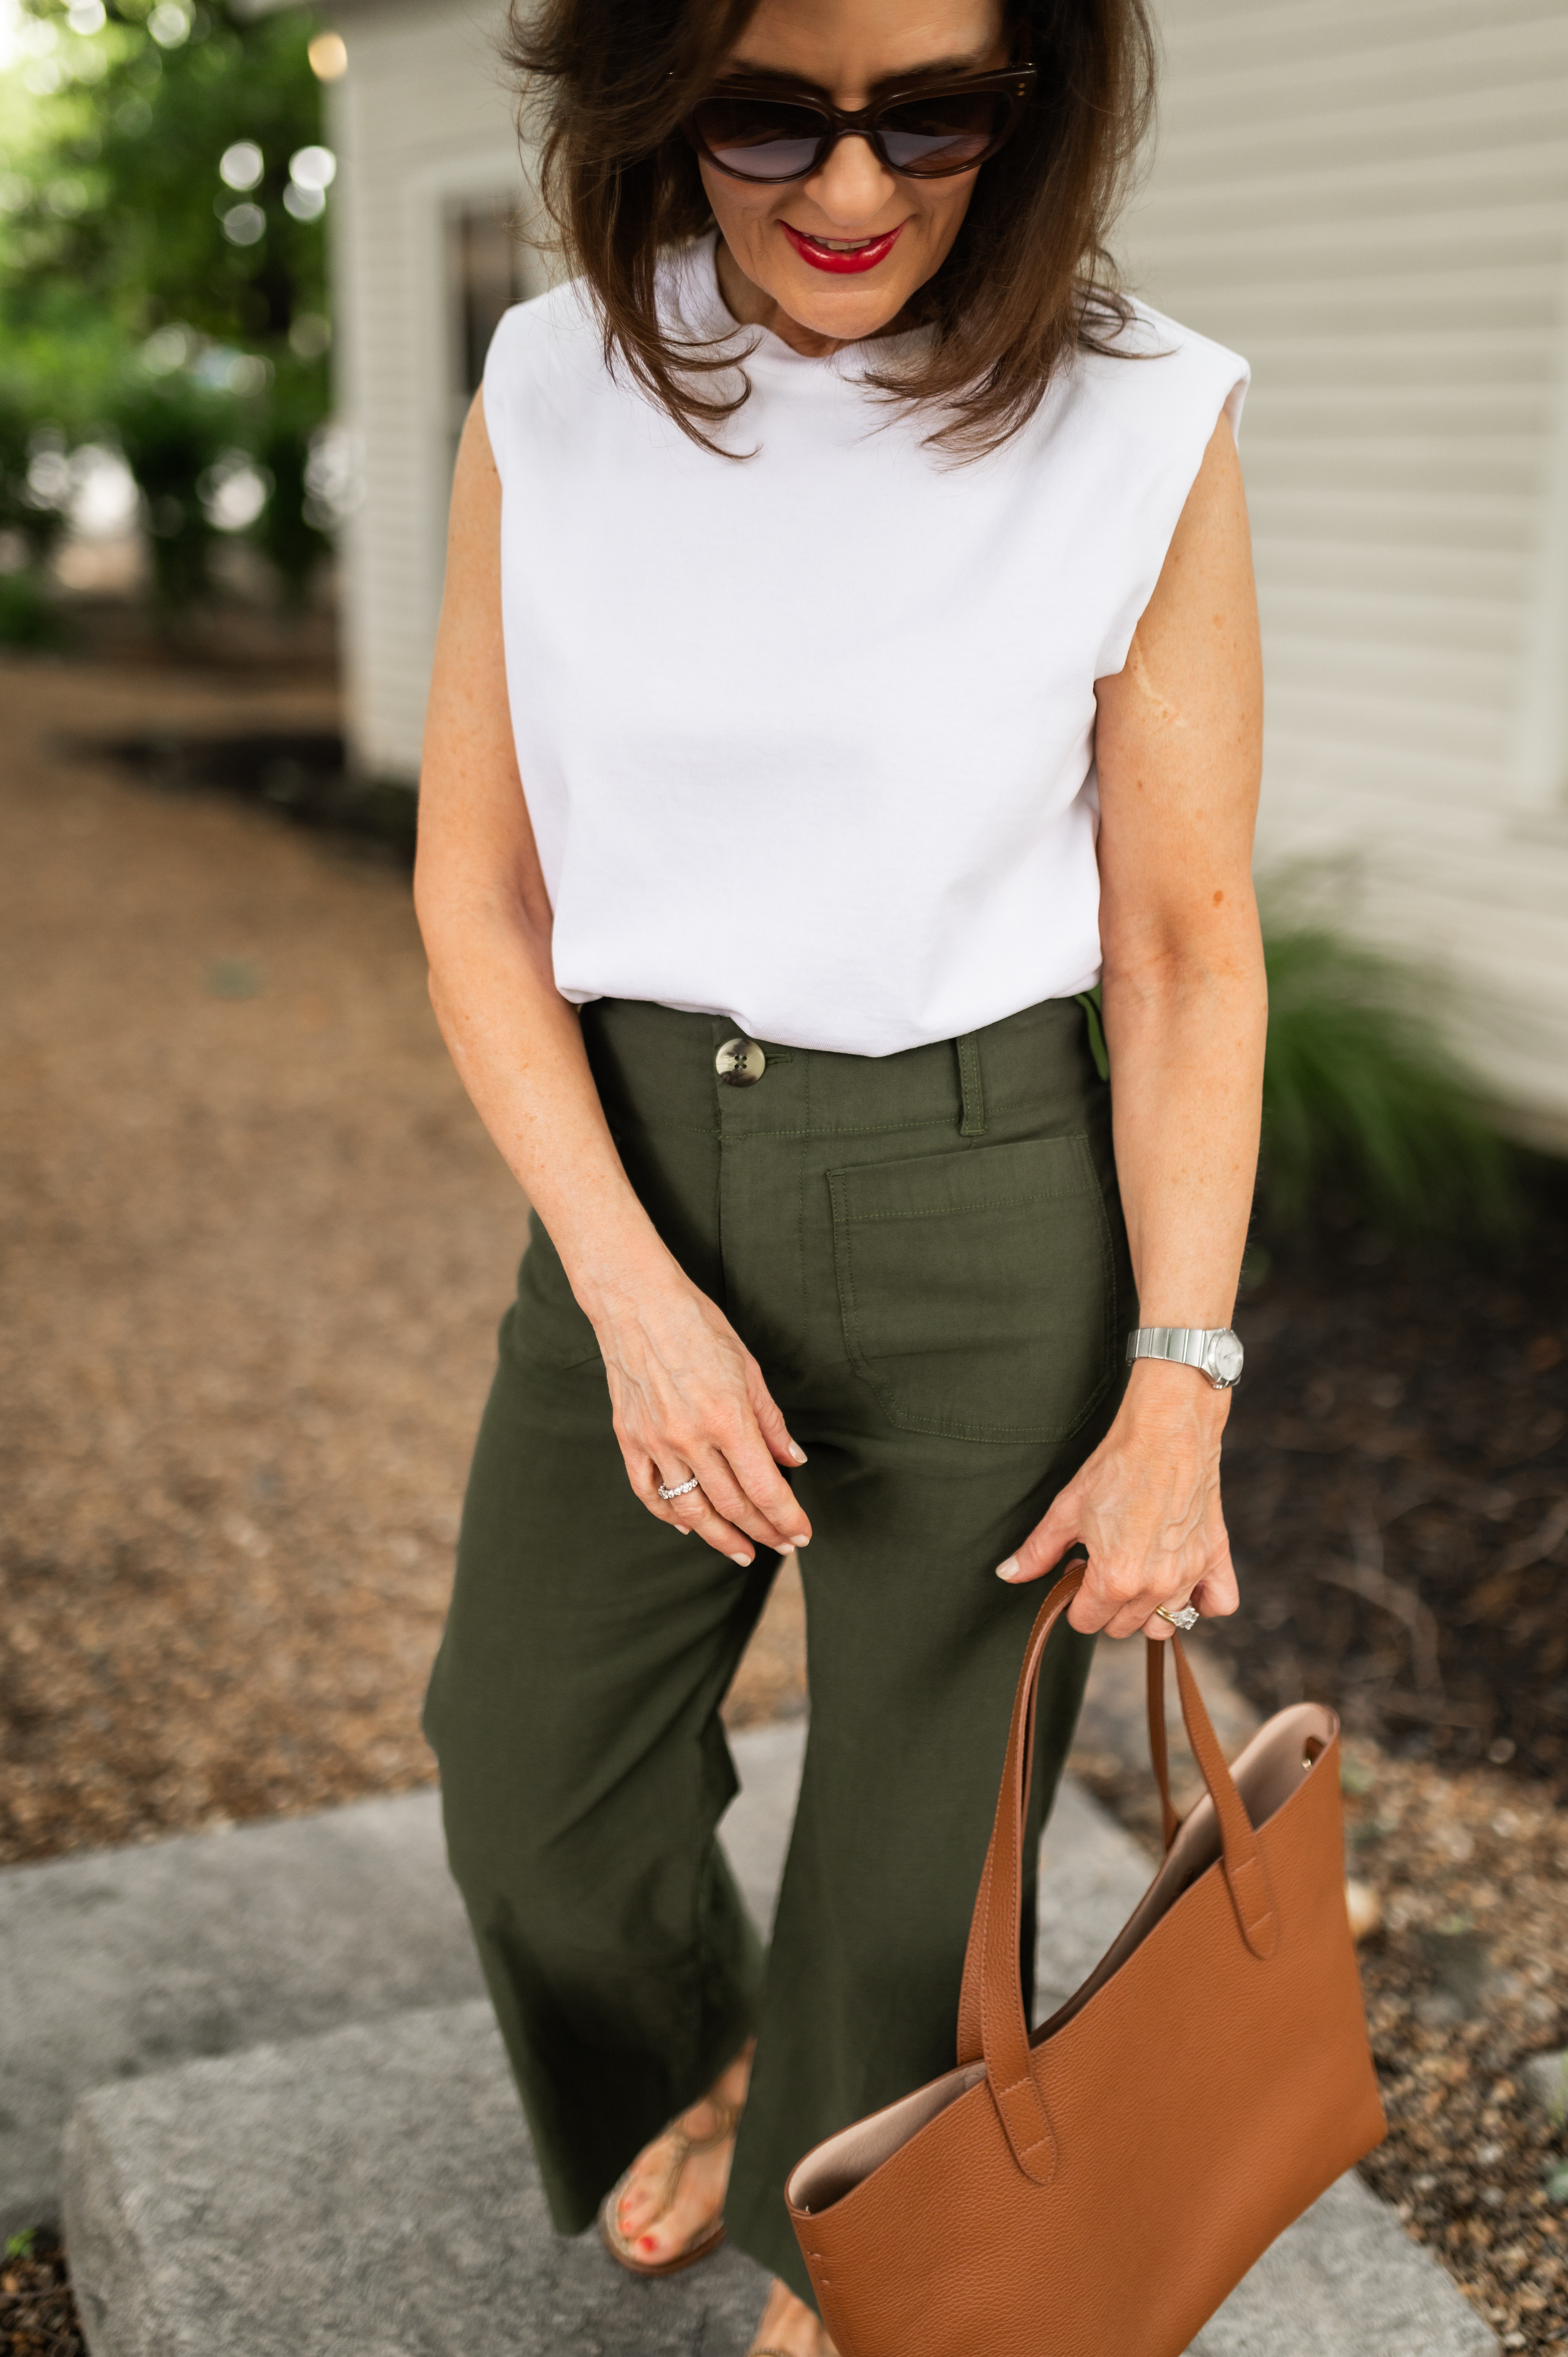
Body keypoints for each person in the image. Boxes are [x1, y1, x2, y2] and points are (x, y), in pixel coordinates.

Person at [413, 0, 1265, 2344]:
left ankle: (843, 2251)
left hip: (998, 1197)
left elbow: (1187, 944)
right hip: (640, 1181)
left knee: (918, 1837)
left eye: (938, 113)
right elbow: (477, 891)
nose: (856, 190)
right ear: (651, 95)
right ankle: (702, 2048)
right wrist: (626, 1280)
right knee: (528, 1785)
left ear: (1037, 102)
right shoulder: (553, 390)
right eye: (769, 114)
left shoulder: (1139, 418)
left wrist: (1176, 1381)